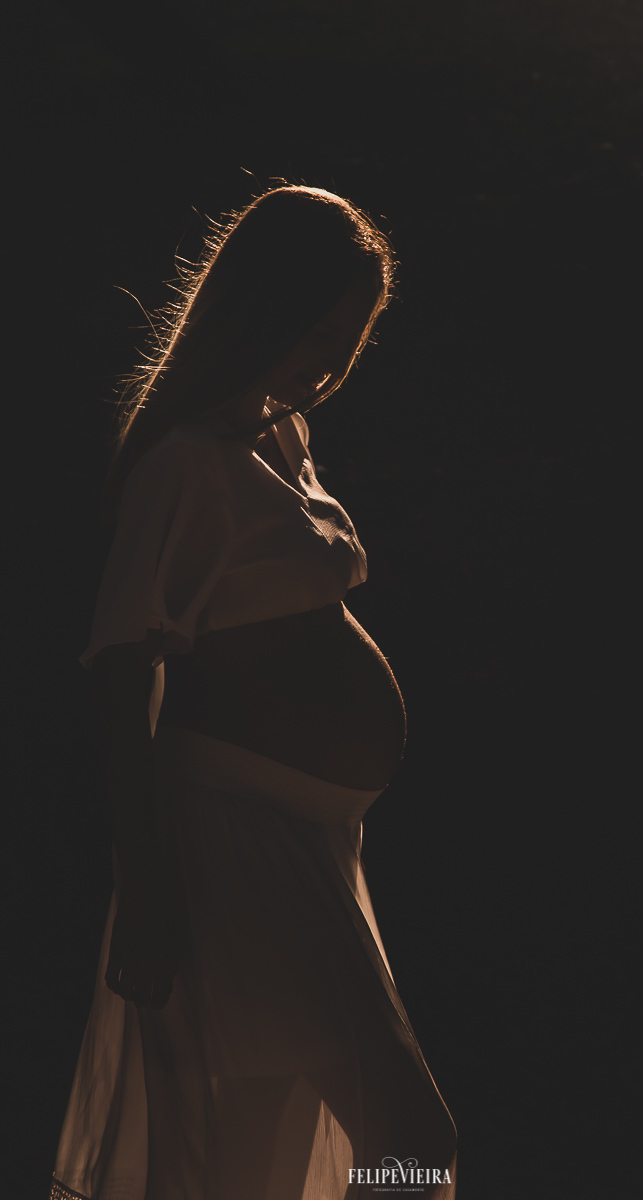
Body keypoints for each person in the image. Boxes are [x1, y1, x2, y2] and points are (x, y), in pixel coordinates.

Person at [50, 185, 457, 1200]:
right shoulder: (184, 466)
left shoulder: (277, 440)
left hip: (319, 842)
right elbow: (121, 673)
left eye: (354, 335)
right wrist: (145, 887)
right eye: (319, 328)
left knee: (263, 1145)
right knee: (410, 1140)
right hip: (236, 837)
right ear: (259, 307)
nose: (334, 359)